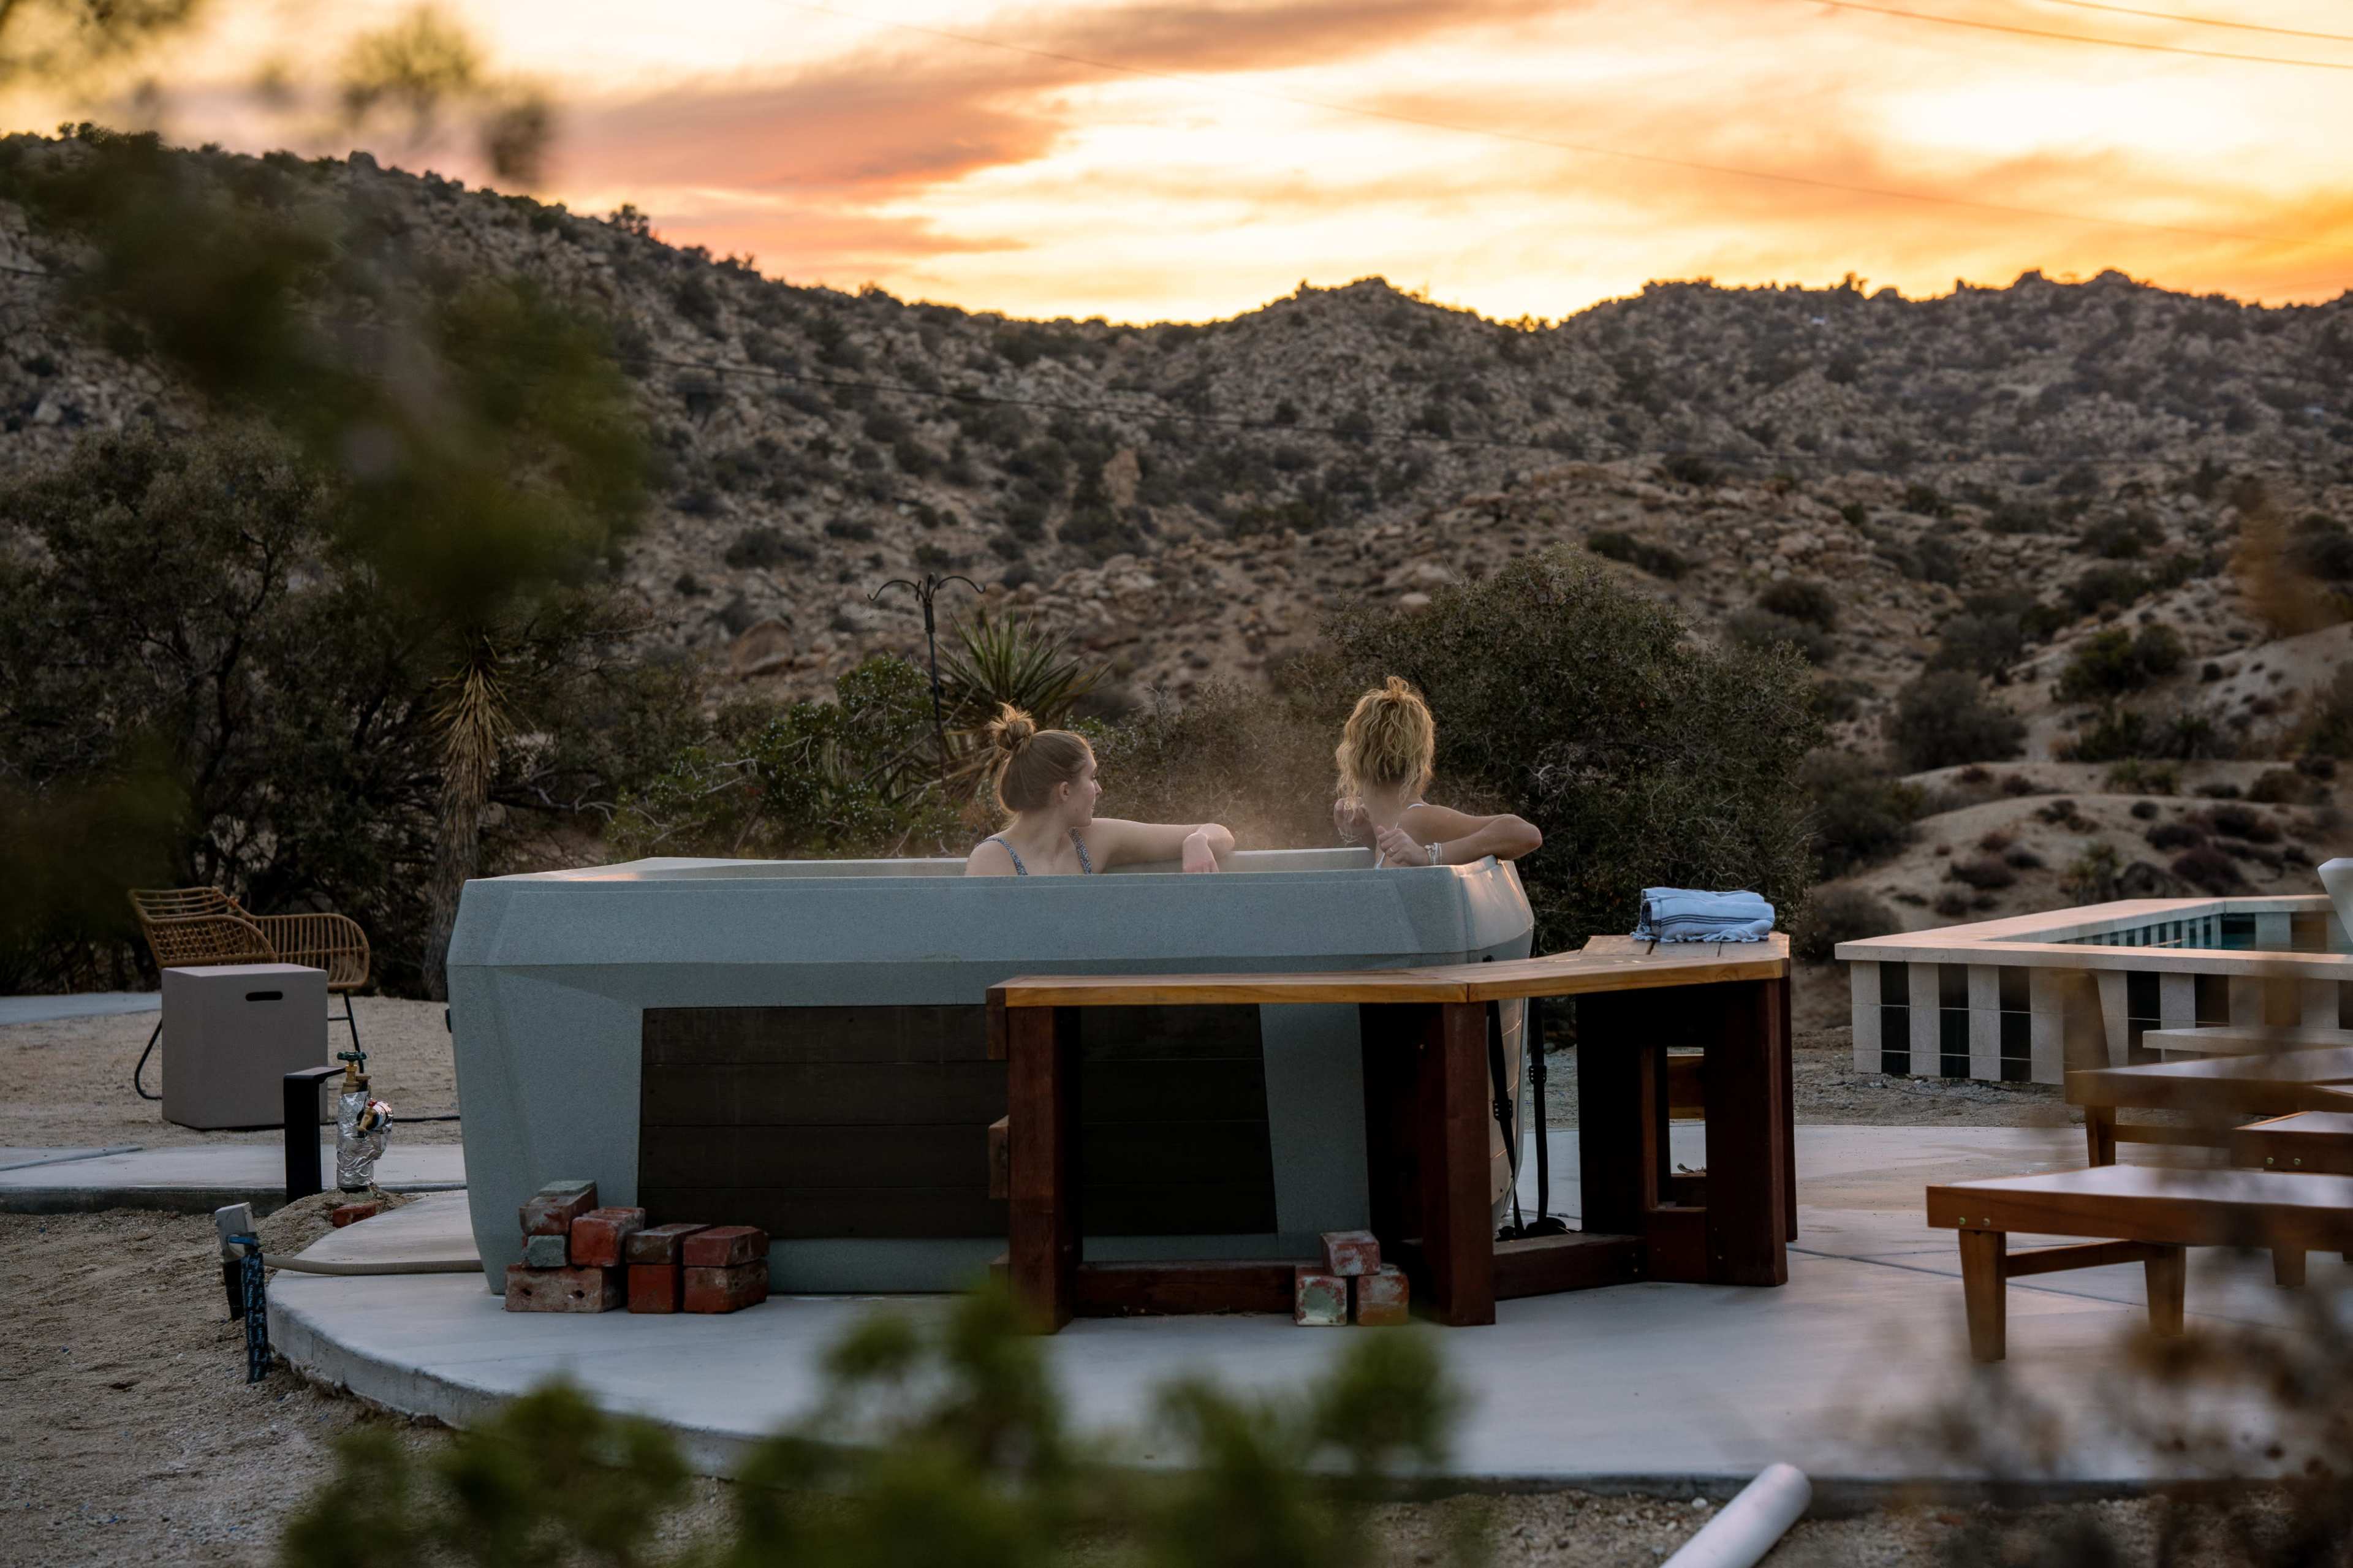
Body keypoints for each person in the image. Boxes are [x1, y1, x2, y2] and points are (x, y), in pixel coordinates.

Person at [964, 705, 1235, 876]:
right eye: (1092, 777)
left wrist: (1198, 840)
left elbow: (1219, 832)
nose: (1099, 789)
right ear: (1065, 792)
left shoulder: (1095, 840)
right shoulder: (993, 860)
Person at [1330, 677, 1542, 868]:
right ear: (1420, 756)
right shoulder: (1399, 825)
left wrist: (1429, 856)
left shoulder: (1417, 820)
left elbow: (1525, 833)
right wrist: (1366, 835)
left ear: (1353, 756)